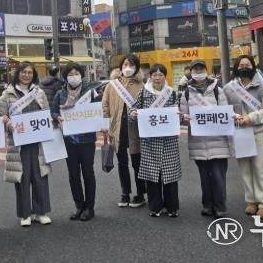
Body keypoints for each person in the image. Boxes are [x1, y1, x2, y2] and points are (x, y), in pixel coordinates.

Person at [0, 61, 53, 227]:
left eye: (29, 72)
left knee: (39, 176)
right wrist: (9, 124)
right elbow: (1, 117)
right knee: (22, 177)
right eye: (23, 72)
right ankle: (25, 214)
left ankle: (41, 212)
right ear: (18, 74)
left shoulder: (39, 93)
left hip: (38, 142)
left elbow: (46, 113)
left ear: (33, 75)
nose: (26, 75)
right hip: (18, 143)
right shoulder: (7, 94)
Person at [223, 55, 263, 219]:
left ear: (253, 66)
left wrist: (250, 118)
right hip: (239, 133)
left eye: (247, 64)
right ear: (236, 68)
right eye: (241, 65)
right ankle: (252, 200)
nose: (244, 67)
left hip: (258, 131)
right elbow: (223, 108)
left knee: (262, 169)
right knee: (245, 169)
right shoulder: (229, 88)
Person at [180, 60, 230, 218]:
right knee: (204, 177)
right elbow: (183, 117)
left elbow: (225, 113)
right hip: (198, 142)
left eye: (201, 69)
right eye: (195, 70)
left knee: (218, 176)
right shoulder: (186, 93)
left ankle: (220, 206)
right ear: (191, 73)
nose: (198, 72)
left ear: (206, 70)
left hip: (218, 140)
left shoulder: (217, 89)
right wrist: (184, 118)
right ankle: (207, 205)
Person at [131, 64, 181, 217]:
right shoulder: (143, 92)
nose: (157, 78)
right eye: (154, 75)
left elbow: (177, 111)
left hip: (169, 140)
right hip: (150, 141)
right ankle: (155, 207)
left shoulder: (171, 92)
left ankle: (172, 207)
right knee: (153, 175)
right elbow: (133, 109)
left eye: (160, 75)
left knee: (170, 174)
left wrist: (179, 115)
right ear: (150, 77)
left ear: (165, 76)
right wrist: (134, 114)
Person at [50, 62, 97, 221]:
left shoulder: (90, 92)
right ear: (65, 77)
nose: (74, 77)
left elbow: (99, 110)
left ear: (81, 75)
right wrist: (57, 117)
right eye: (70, 74)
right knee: (73, 175)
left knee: (88, 173)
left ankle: (89, 207)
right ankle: (79, 206)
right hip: (69, 140)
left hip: (87, 139)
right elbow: (53, 111)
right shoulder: (60, 94)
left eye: (76, 73)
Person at [101, 54, 146, 208]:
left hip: (136, 129)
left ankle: (140, 194)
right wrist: (105, 123)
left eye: (131, 65)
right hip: (117, 127)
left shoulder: (142, 85)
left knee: (137, 163)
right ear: (120, 67)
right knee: (122, 163)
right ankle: (125, 193)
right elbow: (105, 105)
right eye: (125, 64)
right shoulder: (112, 85)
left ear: (137, 67)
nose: (128, 67)